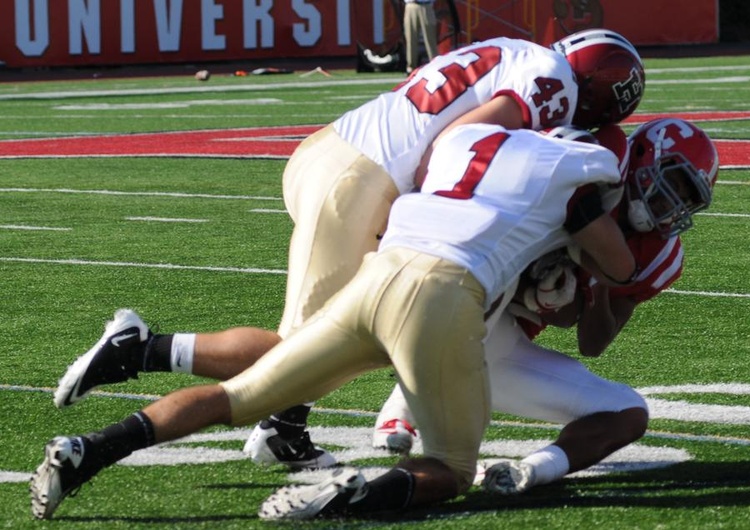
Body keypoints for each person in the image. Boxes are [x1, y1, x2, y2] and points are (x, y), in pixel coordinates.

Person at [52, 29, 646, 471]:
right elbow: (459, 138)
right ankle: (141, 348)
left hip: (344, 152)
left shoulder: (513, 50)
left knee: (368, 327)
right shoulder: (553, 81)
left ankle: (285, 429)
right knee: (310, 346)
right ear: (600, 92)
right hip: (362, 179)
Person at [31, 122, 638, 521]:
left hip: (374, 275)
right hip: (442, 293)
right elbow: (617, 264)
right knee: (451, 469)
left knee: (237, 396)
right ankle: (351, 495)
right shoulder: (580, 167)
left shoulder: (466, 139)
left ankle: (87, 450)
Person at [372, 117, 720, 494]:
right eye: (674, 184)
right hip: (452, 309)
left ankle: (531, 471)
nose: (675, 203)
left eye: (687, 198)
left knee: (628, 411)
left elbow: (593, 342)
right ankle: (400, 409)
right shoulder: (588, 174)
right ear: (643, 158)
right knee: (478, 283)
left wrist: (600, 280)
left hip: (500, 347)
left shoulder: (658, 254)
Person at [403, 0, 439, 74]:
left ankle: (435, 66)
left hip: (426, 5)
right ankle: (411, 68)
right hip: (411, 5)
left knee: (430, 40)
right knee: (411, 39)